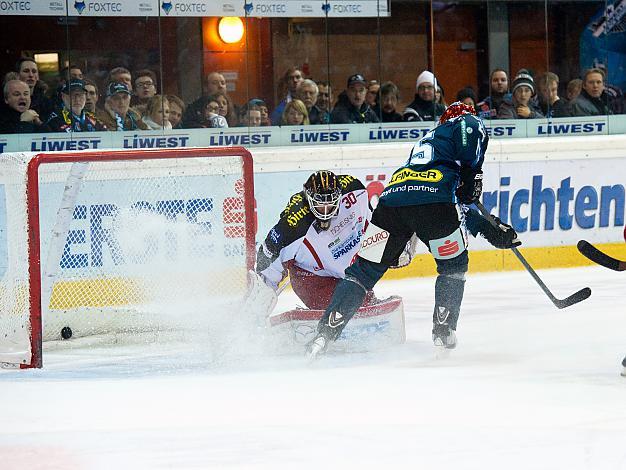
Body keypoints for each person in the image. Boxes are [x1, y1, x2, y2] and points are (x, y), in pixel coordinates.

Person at [305, 102, 521, 358]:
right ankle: (443, 328)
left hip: (392, 202)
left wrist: (490, 227)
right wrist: (474, 175)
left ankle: (324, 335)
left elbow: (452, 202)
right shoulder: (464, 123)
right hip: (435, 205)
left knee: (362, 273)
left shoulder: (429, 146)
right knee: (453, 266)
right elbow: (468, 137)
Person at [247, 171, 378, 318]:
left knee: (362, 302)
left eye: (331, 204)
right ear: (308, 198)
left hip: (347, 271)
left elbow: (372, 222)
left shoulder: (355, 190)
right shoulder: (292, 225)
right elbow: (267, 256)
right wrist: (259, 302)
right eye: (320, 205)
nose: (326, 211)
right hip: (312, 278)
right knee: (338, 312)